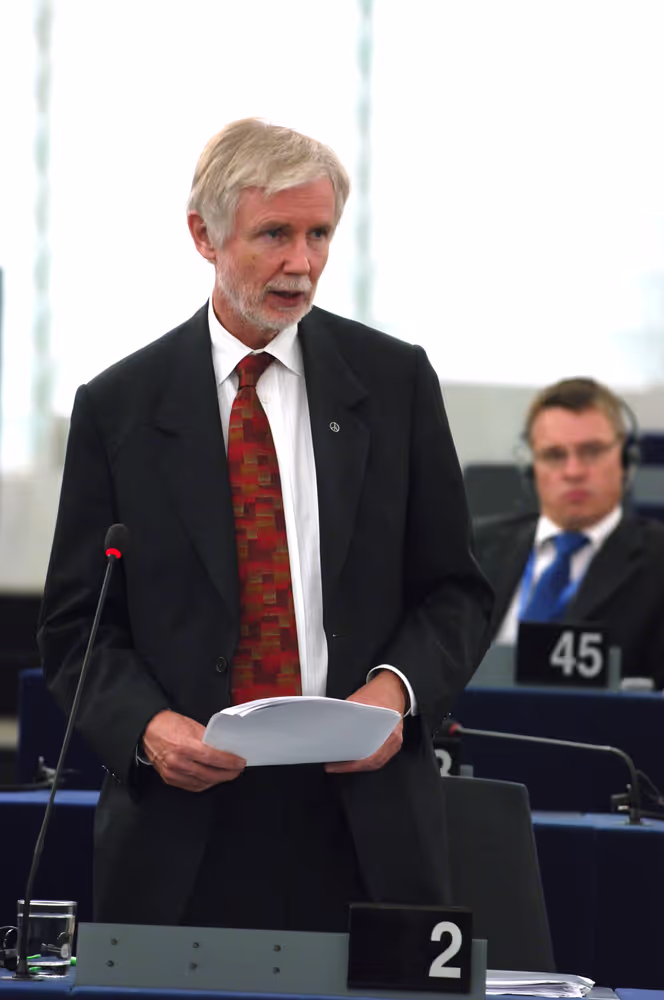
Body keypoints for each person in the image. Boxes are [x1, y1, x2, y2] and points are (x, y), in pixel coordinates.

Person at [38, 119, 493, 931]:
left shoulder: (393, 383)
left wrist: (394, 694)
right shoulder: (119, 408)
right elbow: (79, 629)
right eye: (274, 234)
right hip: (185, 823)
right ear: (203, 237)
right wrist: (146, 728)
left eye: (319, 233)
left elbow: (455, 592)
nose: (302, 263)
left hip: (364, 815)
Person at [474, 377, 664, 686]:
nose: (573, 471)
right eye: (554, 455)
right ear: (531, 467)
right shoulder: (474, 549)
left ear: (626, 460)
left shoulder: (658, 561)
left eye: (591, 451)